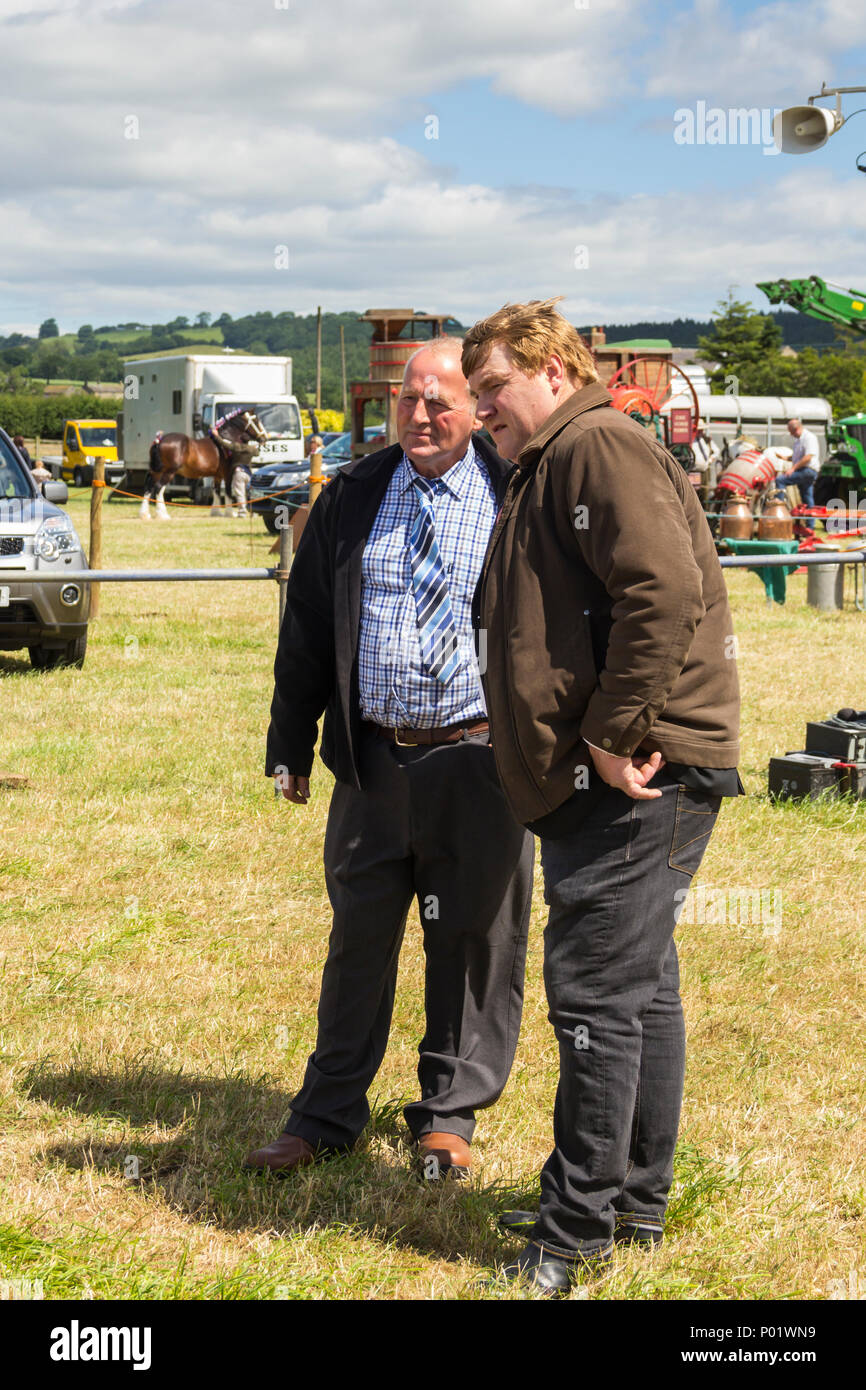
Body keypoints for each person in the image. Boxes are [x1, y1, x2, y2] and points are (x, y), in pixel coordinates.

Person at [462, 298, 743, 1294]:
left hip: (635, 773)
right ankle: (628, 1197)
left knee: (592, 996)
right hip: (627, 769)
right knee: (636, 990)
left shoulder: (592, 448)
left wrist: (605, 731)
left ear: (548, 366)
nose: (478, 408)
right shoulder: (559, 453)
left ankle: (569, 1234)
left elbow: (660, 592)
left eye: (491, 387)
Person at [247, 338, 533, 1181]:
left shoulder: (515, 491)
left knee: (476, 947)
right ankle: (325, 1115)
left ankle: (448, 1118)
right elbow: (303, 627)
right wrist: (288, 746)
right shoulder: (355, 494)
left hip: (482, 762)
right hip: (372, 766)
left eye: (437, 401)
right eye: (407, 399)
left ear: (476, 408)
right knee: (358, 944)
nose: (418, 415)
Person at [774, 418, 821, 527]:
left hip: (808, 471)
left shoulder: (809, 438)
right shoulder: (799, 440)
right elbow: (798, 457)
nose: (791, 434)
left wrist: (793, 469)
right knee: (807, 497)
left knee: (780, 480)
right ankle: (810, 527)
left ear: (796, 429)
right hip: (805, 470)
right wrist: (786, 458)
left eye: (791, 431)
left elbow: (808, 457)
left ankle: (779, 510)